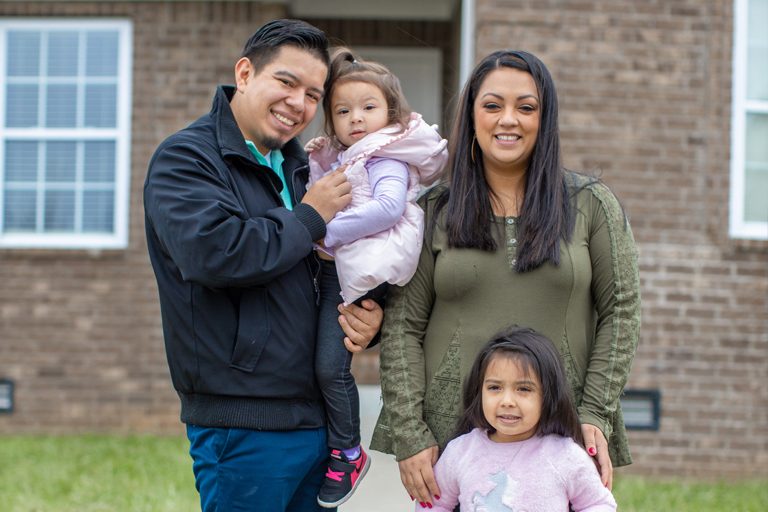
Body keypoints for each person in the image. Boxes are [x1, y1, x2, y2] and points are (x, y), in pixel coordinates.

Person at [370, 50, 641, 506]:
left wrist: (596, 411)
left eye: (526, 107)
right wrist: (409, 432)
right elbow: (402, 327)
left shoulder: (594, 205)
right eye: (492, 105)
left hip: (563, 429)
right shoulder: (432, 209)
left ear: (545, 118)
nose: (508, 120)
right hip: (447, 437)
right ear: (471, 115)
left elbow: (623, 312)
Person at [143, 20, 383, 512]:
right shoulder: (186, 159)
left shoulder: (305, 168)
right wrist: (311, 215)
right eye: (287, 82)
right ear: (246, 73)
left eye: (314, 94)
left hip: (316, 425)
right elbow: (216, 254)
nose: (299, 103)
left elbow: (337, 265)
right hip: (243, 428)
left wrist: (369, 321)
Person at [304, 48, 448, 508]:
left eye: (368, 107)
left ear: (391, 112)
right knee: (319, 362)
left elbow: (387, 208)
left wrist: (321, 231)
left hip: (365, 269)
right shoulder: (343, 157)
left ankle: (347, 452)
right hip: (342, 268)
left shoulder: (383, 156)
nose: (356, 119)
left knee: (330, 365)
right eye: (343, 111)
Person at [422, 327, 617, 511]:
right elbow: (436, 504)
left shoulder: (566, 456)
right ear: (478, 391)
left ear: (548, 396)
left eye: (523, 389)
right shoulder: (460, 452)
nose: (507, 401)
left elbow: (598, 503)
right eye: (495, 387)